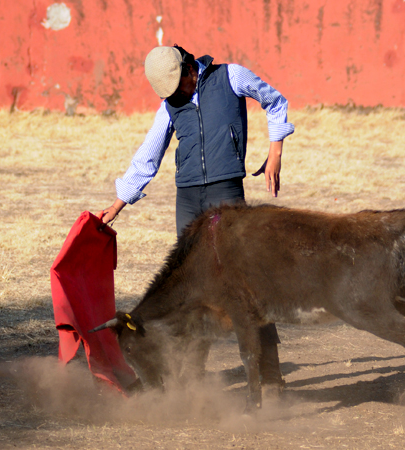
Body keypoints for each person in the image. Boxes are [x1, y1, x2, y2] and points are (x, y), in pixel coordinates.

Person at [101, 45, 294, 393]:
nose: (176, 96)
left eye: (179, 88)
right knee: (190, 288)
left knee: (246, 283)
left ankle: (271, 376)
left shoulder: (230, 76)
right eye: (169, 94)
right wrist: (118, 205)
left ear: (190, 69)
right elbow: (150, 153)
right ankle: (191, 381)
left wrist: (275, 150)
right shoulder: (171, 103)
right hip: (188, 197)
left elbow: (274, 101)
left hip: (226, 195)